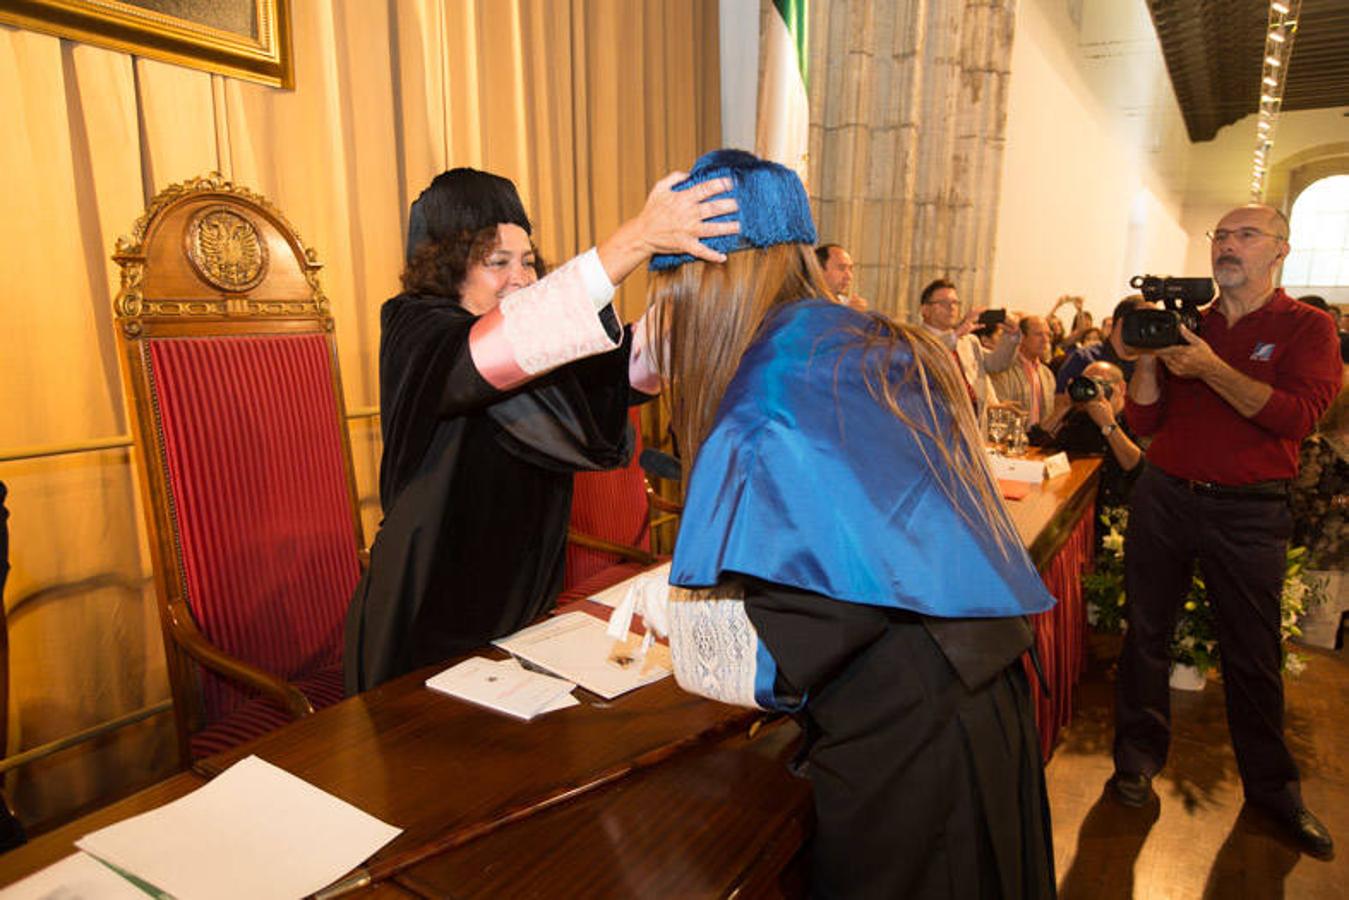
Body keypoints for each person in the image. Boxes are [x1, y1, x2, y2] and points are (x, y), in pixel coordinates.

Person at [650, 150, 1056, 899]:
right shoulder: (861, 340)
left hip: (908, 735)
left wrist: (680, 619)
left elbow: (795, 633)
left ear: (709, 277)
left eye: (671, 289)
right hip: (980, 694)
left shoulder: (766, 396)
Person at [343, 166, 737, 692]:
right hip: (425, 619)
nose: (522, 278)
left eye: (528, 262)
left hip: (519, 616)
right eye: (497, 262)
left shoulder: (533, 345)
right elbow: (499, 347)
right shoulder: (416, 329)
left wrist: (699, 296)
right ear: (447, 267)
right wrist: (638, 238)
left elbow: (619, 373)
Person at [1111, 203, 1342, 860]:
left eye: (1245, 235)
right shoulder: (1187, 324)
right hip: (1164, 495)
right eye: (1220, 236)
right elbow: (1146, 424)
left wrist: (1210, 367)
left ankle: (1272, 791)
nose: (1227, 246)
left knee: (1250, 655)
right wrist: (1150, 359)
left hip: (1247, 510)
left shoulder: (1306, 328)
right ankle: (1133, 761)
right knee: (1144, 636)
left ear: (1279, 250)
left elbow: (1294, 418)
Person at [1030, 361, 1142, 508]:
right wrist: (1062, 408)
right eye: (1087, 382)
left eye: (1099, 383)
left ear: (1121, 387)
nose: (1093, 390)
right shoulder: (1079, 418)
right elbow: (1033, 448)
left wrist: (1107, 424)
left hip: (1119, 508)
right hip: (1078, 506)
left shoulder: (1139, 419)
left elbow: (1137, 468)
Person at [916, 278, 1019, 423]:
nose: (951, 307)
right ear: (924, 310)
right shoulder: (914, 339)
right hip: (938, 421)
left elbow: (998, 364)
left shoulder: (969, 341)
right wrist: (957, 333)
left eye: (955, 303)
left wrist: (1011, 336)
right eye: (944, 303)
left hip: (974, 422)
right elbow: (930, 357)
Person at [989, 315, 1056, 428]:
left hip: (1039, 442)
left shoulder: (1047, 374)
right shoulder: (1003, 369)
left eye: (1048, 335)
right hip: (1010, 439)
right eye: (1039, 334)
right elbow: (999, 413)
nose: (1045, 340)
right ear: (1022, 337)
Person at [814, 242, 869, 311]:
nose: (849, 277)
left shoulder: (846, 303)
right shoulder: (805, 306)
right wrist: (847, 315)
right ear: (819, 270)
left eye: (850, 269)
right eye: (841, 268)